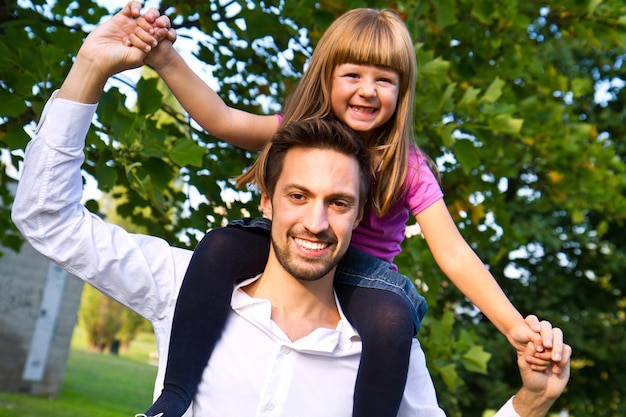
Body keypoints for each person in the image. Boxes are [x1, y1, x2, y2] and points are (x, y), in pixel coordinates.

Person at [10, 4, 571, 416]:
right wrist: (162, 57)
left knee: (394, 320)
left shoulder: (408, 165)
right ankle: (175, 394)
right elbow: (222, 120)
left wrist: (516, 332)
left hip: (369, 281)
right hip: (268, 255)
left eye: (385, 80)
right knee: (220, 245)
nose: (368, 90)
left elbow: (453, 254)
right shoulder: (290, 137)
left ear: (403, 93)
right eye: (353, 74)